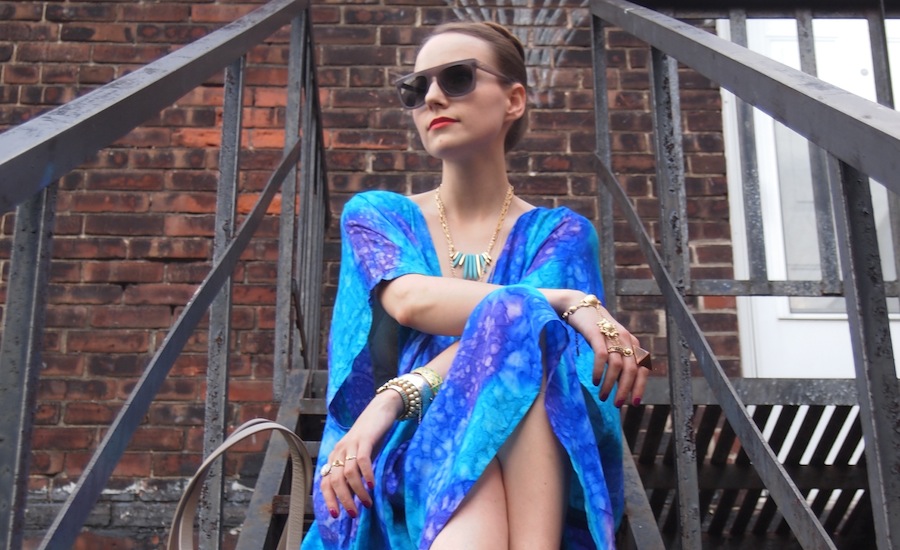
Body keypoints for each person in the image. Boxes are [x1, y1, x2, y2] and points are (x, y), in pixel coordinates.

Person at [301, 20, 651, 550]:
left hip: (531, 442)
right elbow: (410, 300)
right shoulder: (377, 216)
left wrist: (389, 400)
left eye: (457, 77)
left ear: (514, 100)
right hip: (405, 447)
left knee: (525, 339)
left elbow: (513, 330)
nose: (433, 97)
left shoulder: (561, 234)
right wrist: (564, 300)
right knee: (518, 334)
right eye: (415, 88)